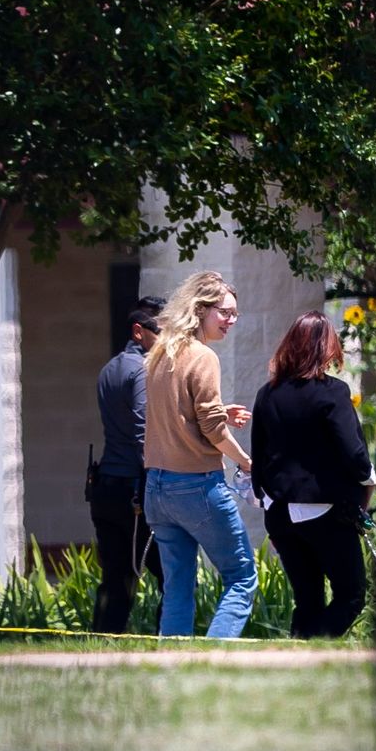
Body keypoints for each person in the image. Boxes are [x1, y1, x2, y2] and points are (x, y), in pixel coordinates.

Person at [143, 271, 258, 637]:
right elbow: (210, 430)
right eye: (224, 312)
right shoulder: (203, 356)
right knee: (241, 577)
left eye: (234, 313)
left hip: (157, 489)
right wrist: (244, 460)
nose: (231, 320)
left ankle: (175, 666)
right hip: (196, 487)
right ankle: (213, 661)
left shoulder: (161, 353)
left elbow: (176, 417)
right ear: (200, 309)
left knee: (177, 588)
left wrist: (220, 411)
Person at [250, 311, 376, 638]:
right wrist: (367, 478)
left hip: (279, 512)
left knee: (307, 600)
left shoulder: (267, 393)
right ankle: (316, 645)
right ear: (326, 347)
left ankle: (299, 654)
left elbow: (259, 453)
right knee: (351, 595)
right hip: (324, 510)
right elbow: (353, 451)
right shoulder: (331, 392)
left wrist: (263, 495)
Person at [91, 300, 167, 633]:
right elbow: (143, 431)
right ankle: (173, 645)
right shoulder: (142, 370)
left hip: (105, 487)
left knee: (116, 580)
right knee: (175, 577)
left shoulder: (109, 368)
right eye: (161, 332)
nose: (167, 341)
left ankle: (103, 646)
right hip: (132, 492)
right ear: (139, 332)